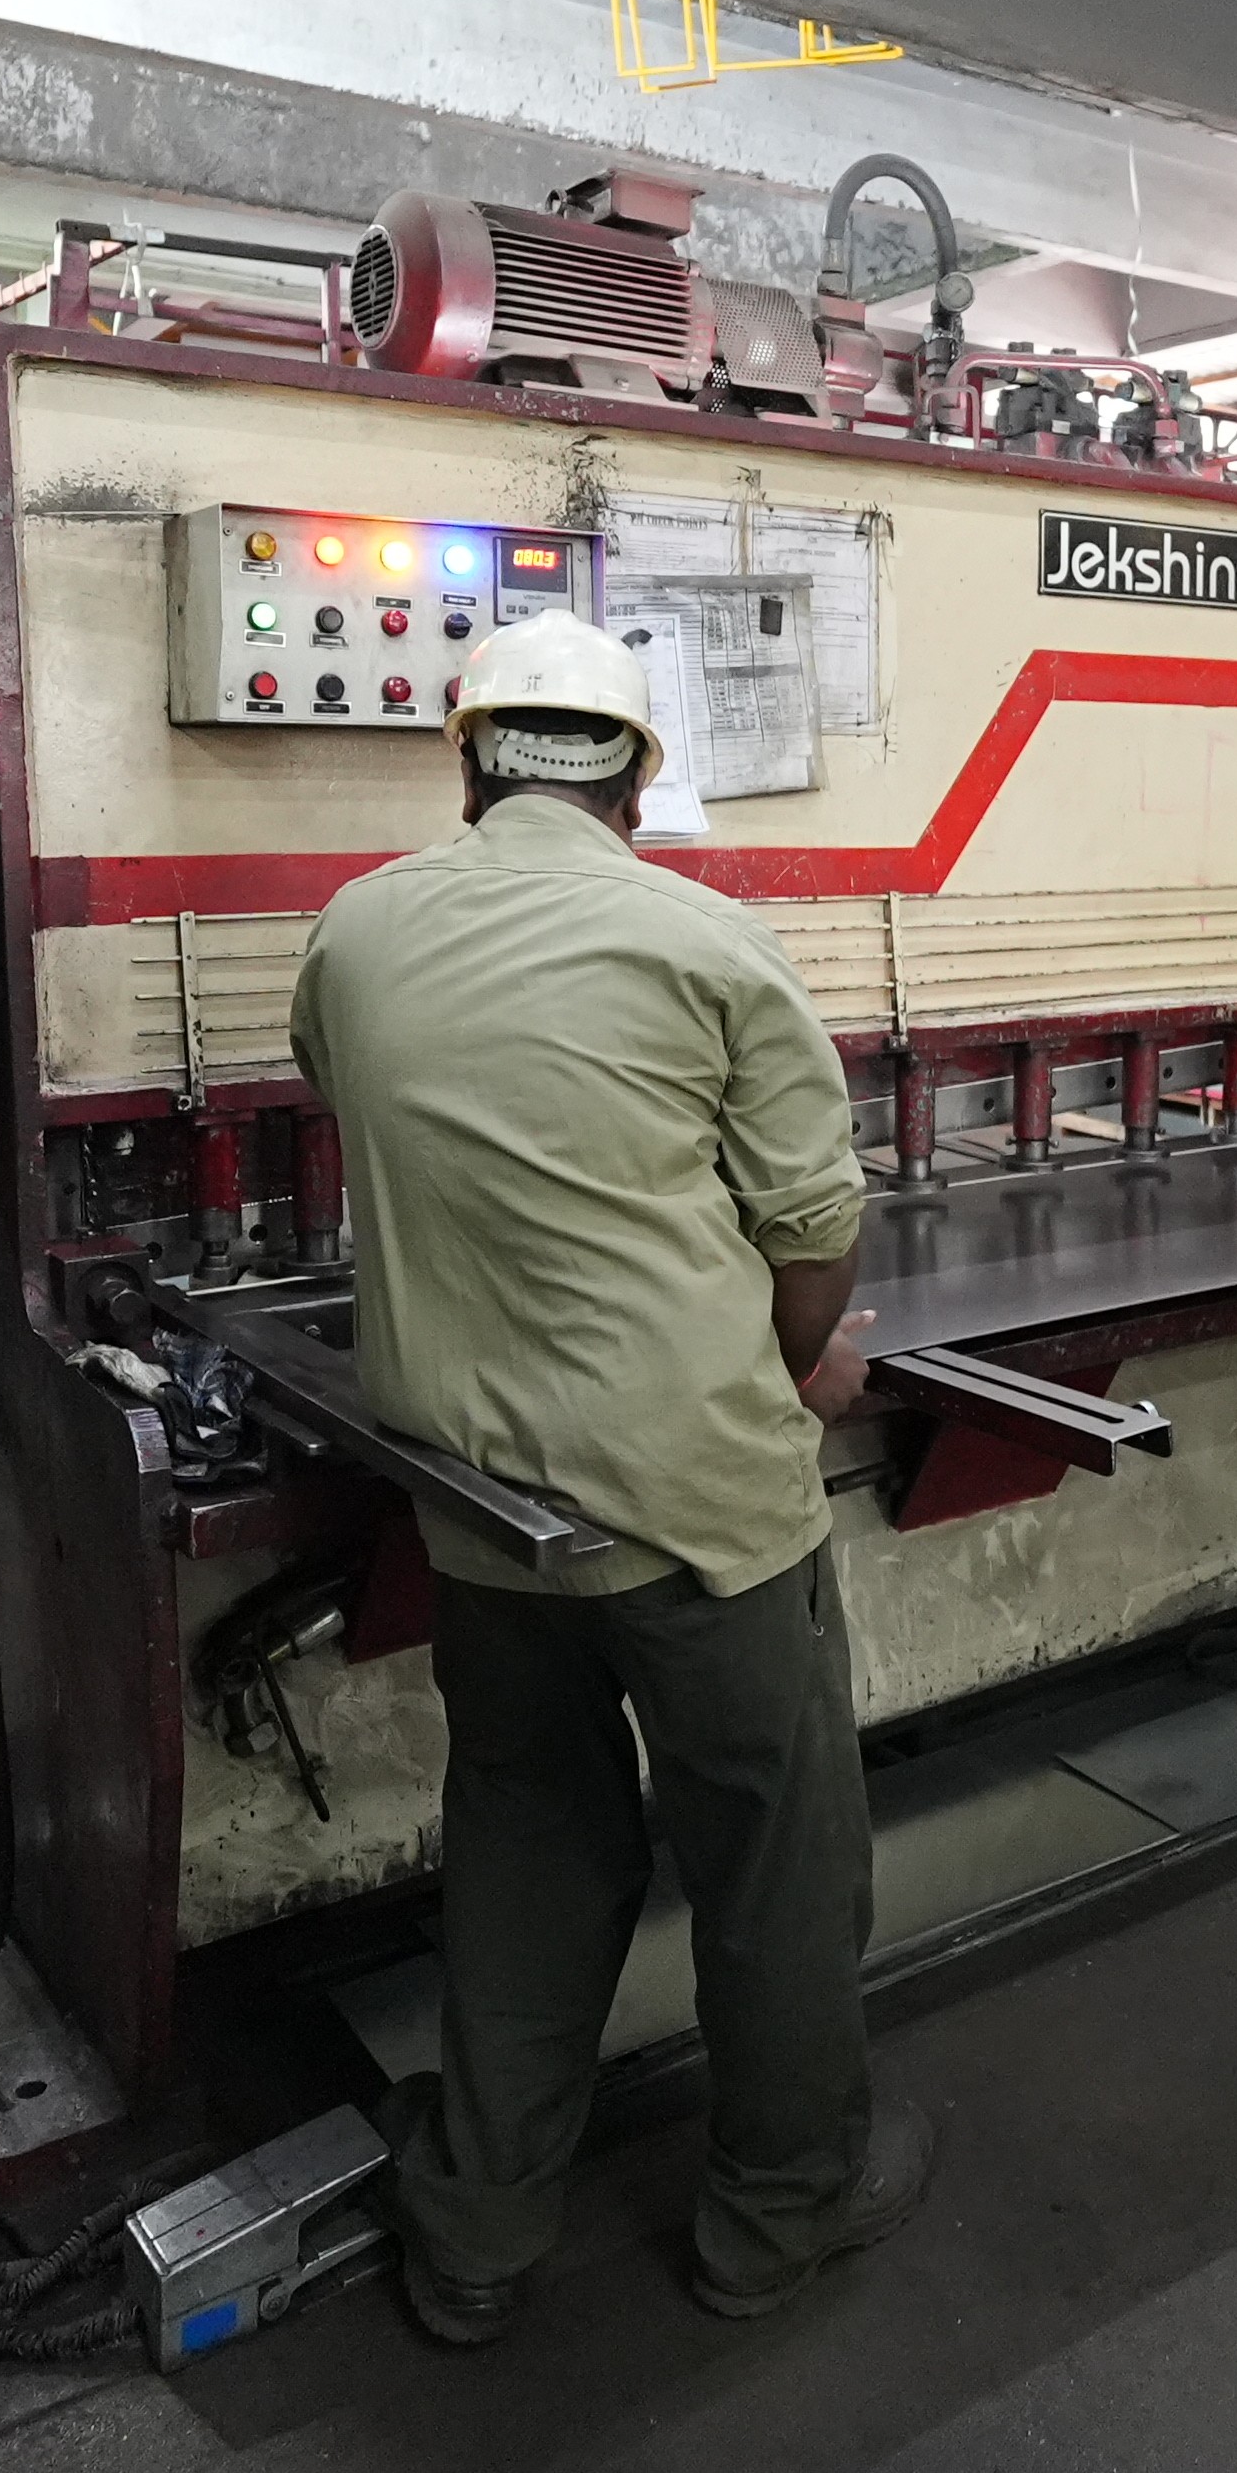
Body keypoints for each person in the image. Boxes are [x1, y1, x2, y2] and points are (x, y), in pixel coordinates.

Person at [288, 609, 930, 2344]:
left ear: (470, 759)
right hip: (699, 1517)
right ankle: (772, 2221)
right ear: (637, 776)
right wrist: (795, 1367)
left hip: (480, 1509)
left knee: (524, 1854)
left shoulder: (356, 930)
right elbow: (815, 1232)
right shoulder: (709, 943)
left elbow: (361, 1101)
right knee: (774, 1869)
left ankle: (476, 2235)